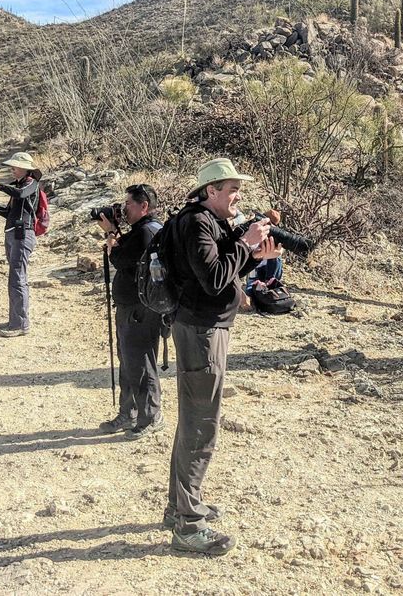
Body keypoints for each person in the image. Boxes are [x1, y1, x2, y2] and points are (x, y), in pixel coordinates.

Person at [162, 158, 281, 556]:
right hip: (201, 332)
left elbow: (218, 270)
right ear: (210, 191)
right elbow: (214, 279)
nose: (238, 195)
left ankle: (179, 506)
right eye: (232, 189)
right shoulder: (197, 223)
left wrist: (253, 254)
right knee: (200, 426)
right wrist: (246, 244)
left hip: (204, 328)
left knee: (193, 420)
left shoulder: (202, 221)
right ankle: (188, 526)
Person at [96, 184, 165, 439]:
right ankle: (129, 413)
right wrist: (116, 232)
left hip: (141, 309)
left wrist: (112, 234)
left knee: (141, 362)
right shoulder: (143, 230)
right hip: (131, 306)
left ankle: (151, 416)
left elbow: (121, 259)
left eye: (128, 204)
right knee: (129, 361)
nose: (124, 208)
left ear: (144, 206)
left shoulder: (148, 232)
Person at [0, 151, 41, 337]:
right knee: (15, 278)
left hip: (22, 235)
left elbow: (21, 194)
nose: (12, 170)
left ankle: (20, 324)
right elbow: (9, 213)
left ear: (25, 168)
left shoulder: (30, 184)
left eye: (14, 167)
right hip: (14, 234)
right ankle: (15, 320)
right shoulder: (19, 186)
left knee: (18, 278)